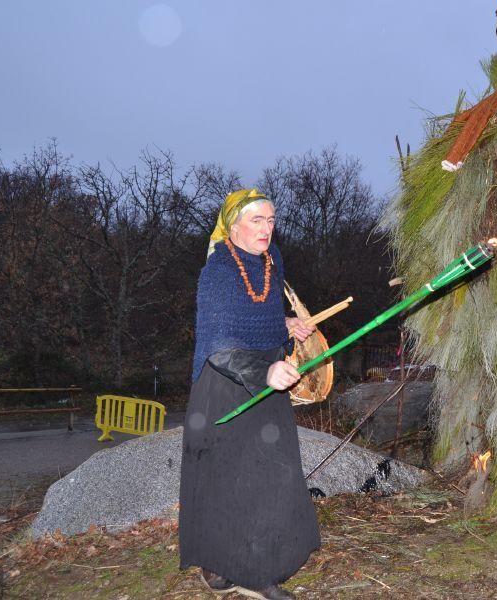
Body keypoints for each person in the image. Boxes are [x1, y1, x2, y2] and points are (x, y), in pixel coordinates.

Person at [180, 188, 320, 600]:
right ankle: (224, 565)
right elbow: (220, 342)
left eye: (271, 220)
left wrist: (286, 325)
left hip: (267, 380)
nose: (266, 228)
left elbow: (257, 313)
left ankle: (259, 566)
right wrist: (264, 370)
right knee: (225, 480)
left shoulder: (273, 261)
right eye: (256, 220)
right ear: (233, 226)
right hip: (226, 386)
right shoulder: (218, 270)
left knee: (268, 477)